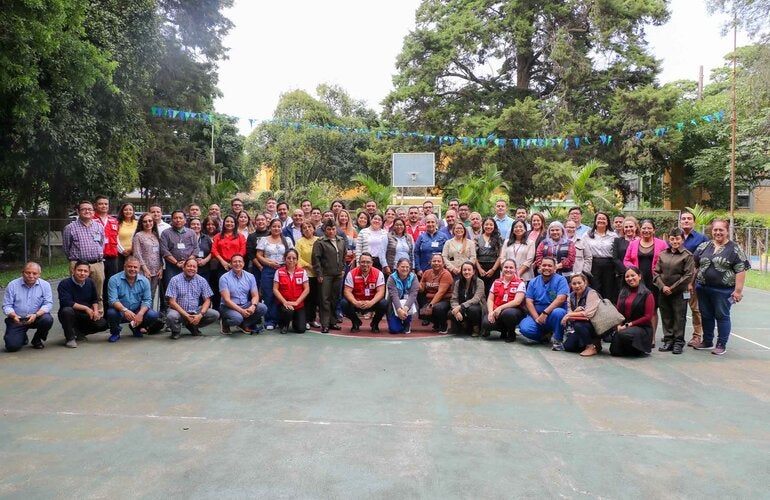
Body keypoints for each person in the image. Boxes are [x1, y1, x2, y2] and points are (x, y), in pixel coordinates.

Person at [691, 219, 750, 355]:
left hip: (723, 291)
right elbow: (696, 266)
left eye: (721, 230)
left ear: (727, 231)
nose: (717, 232)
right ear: (711, 231)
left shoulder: (734, 249)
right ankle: (707, 341)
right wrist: (691, 283)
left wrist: (738, 291)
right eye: (715, 230)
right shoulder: (704, 246)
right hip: (703, 288)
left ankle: (721, 344)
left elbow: (741, 270)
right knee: (706, 315)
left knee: (722, 316)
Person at [624, 219, 668, 341]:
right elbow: (626, 260)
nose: (646, 230)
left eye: (649, 228)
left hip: (654, 281)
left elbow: (668, 260)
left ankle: (652, 337)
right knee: (636, 308)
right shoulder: (633, 244)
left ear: (654, 230)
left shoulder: (662, 244)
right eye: (644, 228)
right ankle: (636, 335)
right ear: (640, 229)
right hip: (637, 282)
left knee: (653, 309)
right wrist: (634, 272)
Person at [653, 228, 695, 354]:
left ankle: (678, 342)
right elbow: (656, 272)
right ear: (669, 239)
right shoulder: (662, 254)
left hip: (679, 292)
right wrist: (663, 287)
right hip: (663, 291)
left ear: (682, 240)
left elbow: (688, 275)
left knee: (679, 317)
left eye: (677, 238)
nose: (674, 241)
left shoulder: (687, 255)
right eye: (672, 238)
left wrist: (673, 287)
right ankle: (668, 340)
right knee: (666, 316)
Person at [106, 256, 162, 343]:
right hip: (120, 310)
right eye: (129, 266)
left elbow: (147, 300)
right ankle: (115, 332)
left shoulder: (144, 281)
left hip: (136, 310)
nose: (132, 269)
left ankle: (135, 328)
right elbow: (112, 300)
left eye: (135, 267)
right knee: (111, 313)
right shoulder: (114, 279)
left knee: (153, 315)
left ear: (139, 269)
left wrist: (140, 313)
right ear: (124, 267)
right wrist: (125, 310)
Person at [519, 257, 569, 349]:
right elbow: (529, 301)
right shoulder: (533, 282)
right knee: (525, 328)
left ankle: (558, 340)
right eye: (544, 265)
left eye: (550, 266)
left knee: (558, 312)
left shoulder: (561, 280)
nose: (546, 268)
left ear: (555, 268)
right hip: (537, 315)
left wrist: (545, 313)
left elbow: (561, 299)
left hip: (553, 315)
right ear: (540, 267)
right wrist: (537, 318)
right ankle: (545, 336)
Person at [62, 200, 106, 306]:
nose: (87, 211)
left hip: (96, 264)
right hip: (78, 265)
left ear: (93, 211)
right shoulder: (70, 228)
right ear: (78, 211)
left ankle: (97, 317)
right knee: (77, 292)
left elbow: (102, 244)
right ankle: (79, 317)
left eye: (90, 209)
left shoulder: (99, 226)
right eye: (84, 209)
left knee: (98, 293)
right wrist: (74, 262)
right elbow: (66, 247)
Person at [3, 262, 53, 351]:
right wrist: (13, 315)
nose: (31, 276)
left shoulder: (45, 285)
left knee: (47, 319)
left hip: (36, 317)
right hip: (17, 319)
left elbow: (48, 303)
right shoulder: (12, 285)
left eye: (34, 273)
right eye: (28, 272)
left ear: (39, 274)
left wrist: (36, 315)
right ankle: (22, 336)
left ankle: (37, 340)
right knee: (12, 347)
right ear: (22, 273)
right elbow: (7, 305)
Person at [57, 261, 108, 348]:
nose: (82, 273)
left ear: (89, 273)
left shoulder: (90, 282)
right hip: (70, 313)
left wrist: (95, 311)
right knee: (67, 311)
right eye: (79, 270)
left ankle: (79, 332)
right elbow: (66, 302)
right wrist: (86, 308)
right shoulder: (64, 284)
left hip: (85, 314)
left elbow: (94, 299)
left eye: (85, 271)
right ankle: (70, 338)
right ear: (73, 270)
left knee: (103, 324)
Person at [165, 258, 219, 339]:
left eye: (194, 267)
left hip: (195, 311)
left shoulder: (201, 280)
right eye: (189, 266)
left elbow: (207, 300)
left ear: (197, 269)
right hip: (179, 311)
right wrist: (186, 315)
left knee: (215, 314)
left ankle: (193, 326)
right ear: (183, 267)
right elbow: (172, 302)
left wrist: (200, 315)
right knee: (171, 316)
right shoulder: (175, 280)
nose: (192, 268)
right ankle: (176, 331)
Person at [679, 209, 709, 347]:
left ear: (694, 222)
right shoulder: (675, 236)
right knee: (677, 308)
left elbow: (703, 261)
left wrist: (691, 281)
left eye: (689, 219)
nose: (686, 221)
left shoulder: (702, 239)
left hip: (693, 281)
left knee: (695, 309)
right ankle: (675, 334)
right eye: (683, 218)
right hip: (676, 280)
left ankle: (697, 336)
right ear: (680, 221)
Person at [256, 218, 293, 329]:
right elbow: (259, 255)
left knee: (282, 294)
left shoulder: (287, 240)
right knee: (269, 295)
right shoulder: (264, 239)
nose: (276, 228)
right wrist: (269, 263)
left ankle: (282, 320)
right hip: (268, 270)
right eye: (274, 226)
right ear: (270, 227)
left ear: (281, 228)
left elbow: (292, 254)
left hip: (283, 270)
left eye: (278, 226)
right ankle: (270, 320)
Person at [218, 254, 267, 334]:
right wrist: (241, 311)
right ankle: (225, 323)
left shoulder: (250, 276)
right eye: (235, 262)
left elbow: (255, 295)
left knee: (263, 308)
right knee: (237, 318)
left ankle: (244, 324)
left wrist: (253, 306)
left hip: (244, 304)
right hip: (228, 307)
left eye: (240, 261)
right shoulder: (224, 278)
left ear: (244, 264)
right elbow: (226, 300)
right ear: (230, 264)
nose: (237, 264)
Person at [611, 266, 655, 356]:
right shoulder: (623, 292)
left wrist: (628, 325)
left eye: (633, 275)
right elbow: (619, 312)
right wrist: (619, 325)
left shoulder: (647, 294)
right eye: (627, 277)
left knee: (624, 334)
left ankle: (640, 347)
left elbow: (647, 317)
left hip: (642, 328)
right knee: (614, 351)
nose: (630, 278)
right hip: (624, 327)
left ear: (639, 276)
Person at [160, 210, 198, 313]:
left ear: (185, 220)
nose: (178, 220)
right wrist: (176, 262)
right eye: (175, 218)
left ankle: (188, 314)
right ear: (172, 220)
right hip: (172, 267)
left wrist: (187, 263)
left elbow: (196, 249)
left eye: (180, 218)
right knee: (171, 291)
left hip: (188, 267)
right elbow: (164, 250)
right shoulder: (166, 233)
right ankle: (170, 316)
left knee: (187, 290)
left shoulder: (191, 233)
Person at [312, 220, 347, 333]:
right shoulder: (320, 242)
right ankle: (325, 324)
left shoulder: (341, 240)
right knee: (324, 299)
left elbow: (344, 256)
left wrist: (342, 269)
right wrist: (319, 274)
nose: (331, 231)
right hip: (325, 274)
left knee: (335, 299)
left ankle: (333, 322)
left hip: (338, 274)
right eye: (329, 229)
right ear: (325, 230)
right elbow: (316, 259)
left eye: (333, 229)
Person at [340, 252, 387, 333]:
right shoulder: (351, 273)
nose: (365, 264)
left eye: (368, 262)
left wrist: (371, 302)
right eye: (363, 262)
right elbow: (347, 291)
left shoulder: (379, 273)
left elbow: (381, 292)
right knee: (344, 303)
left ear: (372, 263)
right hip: (356, 302)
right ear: (359, 262)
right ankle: (355, 322)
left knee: (384, 303)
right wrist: (355, 302)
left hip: (372, 302)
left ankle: (375, 323)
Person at [481, 259, 527, 341]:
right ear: (502, 268)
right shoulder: (496, 282)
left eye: (511, 267)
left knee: (508, 313)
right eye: (506, 267)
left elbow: (517, 301)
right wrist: (491, 312)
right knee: (486, 323)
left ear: (515, 270)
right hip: (497, 311)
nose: (508, 269)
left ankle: (511, 333)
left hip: (514, 311)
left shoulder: (520, 283)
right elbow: (490, 299)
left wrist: (500, 308)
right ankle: (503, 330)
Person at [560, 273, 601, 356]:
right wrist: (574, 313)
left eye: (579, 283)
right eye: (574, 284)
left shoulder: (591, 293)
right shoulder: (570, 296)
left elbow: (589, 314)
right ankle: (593, 344)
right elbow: (570, 314)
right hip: (578, 326)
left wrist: (569, 315)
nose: (577, 286)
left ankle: (591, 346)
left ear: (585, 283)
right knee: (568, 347)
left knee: (578, 325)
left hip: (594, 325)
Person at [273, 249, 310, 334]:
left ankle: (295, 321)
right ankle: (284, 325)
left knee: (301, 330)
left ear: (297, 260)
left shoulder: (302, 272)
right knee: (288, 311)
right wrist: (284, 302)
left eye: (294, 258)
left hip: (298, 305)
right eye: (288, 258)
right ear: (284, 259)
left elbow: (307, 289)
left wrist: (297, 302)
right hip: (285, 305)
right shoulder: (279, 272)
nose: (291, 260)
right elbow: (275, 289)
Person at [212, 214, 247, 300]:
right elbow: (214, 250)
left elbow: (243, 250)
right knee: (221, 288)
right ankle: (220, 309)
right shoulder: (218, 236)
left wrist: (234, 263)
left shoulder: (240, 236)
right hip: (221, 265)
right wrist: (222, 261)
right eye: (227, 221)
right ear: (224, 223)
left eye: (232, 222)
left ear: (235, 224)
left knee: (236, 287)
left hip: (237, 265)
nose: (229, 223)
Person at [93, 195, 120, 307]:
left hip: (112, 258)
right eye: (100, 204)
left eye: (106, 204)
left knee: (110, 285)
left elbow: (117, 239)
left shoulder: (114, 220)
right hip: (97, 258)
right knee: (97, 285)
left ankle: (109, 311)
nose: (103, 206)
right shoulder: (92, 220)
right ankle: (98, 311)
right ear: (95, 205)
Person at [585, 211, 618, 302]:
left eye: (604, 219)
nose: (601, 220)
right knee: (595, 288)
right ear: (595, 221)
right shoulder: (587, 235)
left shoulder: (613, 235)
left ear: (607, 222)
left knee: (608, 289)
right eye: (599, 218)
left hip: (609, 264)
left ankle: (608, 310)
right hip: (594, 264)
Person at [132, 213, 163, 305]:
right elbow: (137, 254)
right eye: (145, 221)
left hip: (156, 271)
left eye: (150, 221)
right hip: (144, 270)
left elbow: (160, 253)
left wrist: (161, 267)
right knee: (143, 294)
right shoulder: (138, 236)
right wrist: (144, 269)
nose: (148, 223)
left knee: (152, 294)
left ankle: (150, 316)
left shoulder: (156, 235)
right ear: (141, 223)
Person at [418, 254, 453, 333]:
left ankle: (444, 325)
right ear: (430, 262)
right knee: (421, 312)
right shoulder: (426, 273)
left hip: (445, 300)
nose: (436, 263)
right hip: (431, 300)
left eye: (439, 261)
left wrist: (430, 305)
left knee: (437, 308)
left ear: (443, 263)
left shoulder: (446, 274)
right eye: (434, 261)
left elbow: (441, 293)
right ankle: (437, 323)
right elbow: (421, 289)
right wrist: (415, 282)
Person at [450, 262, 486, 336]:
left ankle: (476, 327)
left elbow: (476, 299)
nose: (467, 272)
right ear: (461, 271)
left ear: (473, 271)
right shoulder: (458, 283)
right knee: (451, 313)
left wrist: (460, 306)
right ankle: (464, 325)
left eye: (469, 270)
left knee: (472, 309)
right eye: (464, 270)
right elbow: (454, 299)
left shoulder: (480, 282)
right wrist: (456, 310)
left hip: (477, 306)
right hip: (463, 307)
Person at [296, 222, 320, 328]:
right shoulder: (299, 242)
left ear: (314, 228)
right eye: (304, 228)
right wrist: (309, 266)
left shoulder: (319, 240)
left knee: (315, 298)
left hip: (318, 274)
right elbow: (298, 257)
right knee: (306, 298)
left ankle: (312, 319)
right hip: (305, 274)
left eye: (309, 226)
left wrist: (318, 268)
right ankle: (304, 319)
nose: (307, 229)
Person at [386, 258, 419, 334]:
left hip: (408, 305)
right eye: (402, 267)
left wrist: (405, 309)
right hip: (394, 305)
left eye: (407, 267)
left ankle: (407, 322)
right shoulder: (391, 278)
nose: (405, 269)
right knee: (394, 330)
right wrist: (399, 310)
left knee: (409, 301)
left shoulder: (414, 277)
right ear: (397, 267)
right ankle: (399, 322)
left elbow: (413, 295)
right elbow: (394, 296)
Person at [475, 217, 503, 294]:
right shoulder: (477, 238)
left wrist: (493, 269)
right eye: (486, 224)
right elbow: (474, 256)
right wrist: (479, 269)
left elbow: (500, 256)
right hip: (480, 268)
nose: (488, 226)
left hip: (494, 268)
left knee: (492, 290)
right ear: (483, 226)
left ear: (494, 226)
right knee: (480, 290)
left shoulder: (498, 239)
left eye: (491, 225)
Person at [613, 216, 639, 298]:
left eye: (631, 226)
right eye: (626, 227)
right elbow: (615, 258)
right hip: (622, 275)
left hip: (638, 275)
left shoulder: (641, 241)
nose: (628, 229)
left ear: (636, 227)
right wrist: (627, 271)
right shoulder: (618, 241)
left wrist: (635, 272)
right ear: (623, 229)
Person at [117, 202, 137, 269]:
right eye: (125, 210)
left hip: (134, 252)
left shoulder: (137, 223)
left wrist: (131, 249)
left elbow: (138, 238)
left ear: (133, 211)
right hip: (120, 253)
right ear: (122, 211)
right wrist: (122, 250)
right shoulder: (117, 223)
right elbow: (115, 238)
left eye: (130, 209)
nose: (128, 211)